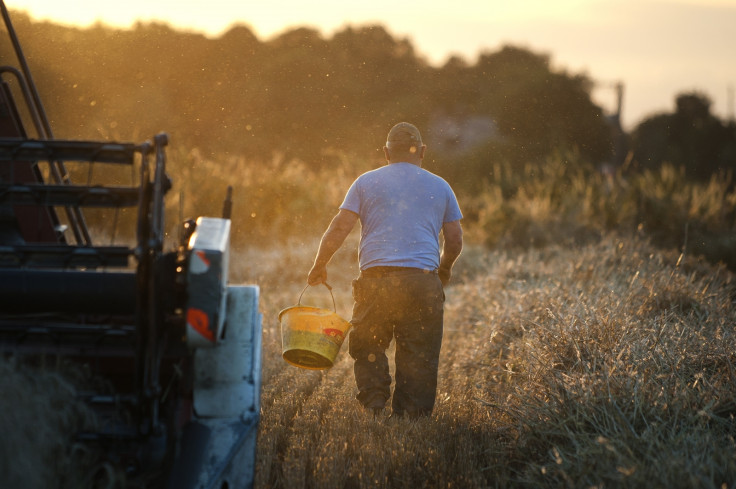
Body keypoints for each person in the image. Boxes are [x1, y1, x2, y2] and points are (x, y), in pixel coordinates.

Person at [307, 122, 463, 418]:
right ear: (423, 151)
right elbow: (454, 239)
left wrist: (320, 264)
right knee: (419, 354)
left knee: (369, 345)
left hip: (376, 281)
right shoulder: (440, 186)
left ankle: (375, 405)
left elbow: (340, 227)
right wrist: (444, 270)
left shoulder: (366, 182)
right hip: (422, 282)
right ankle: (411, 418)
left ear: (386, 152)